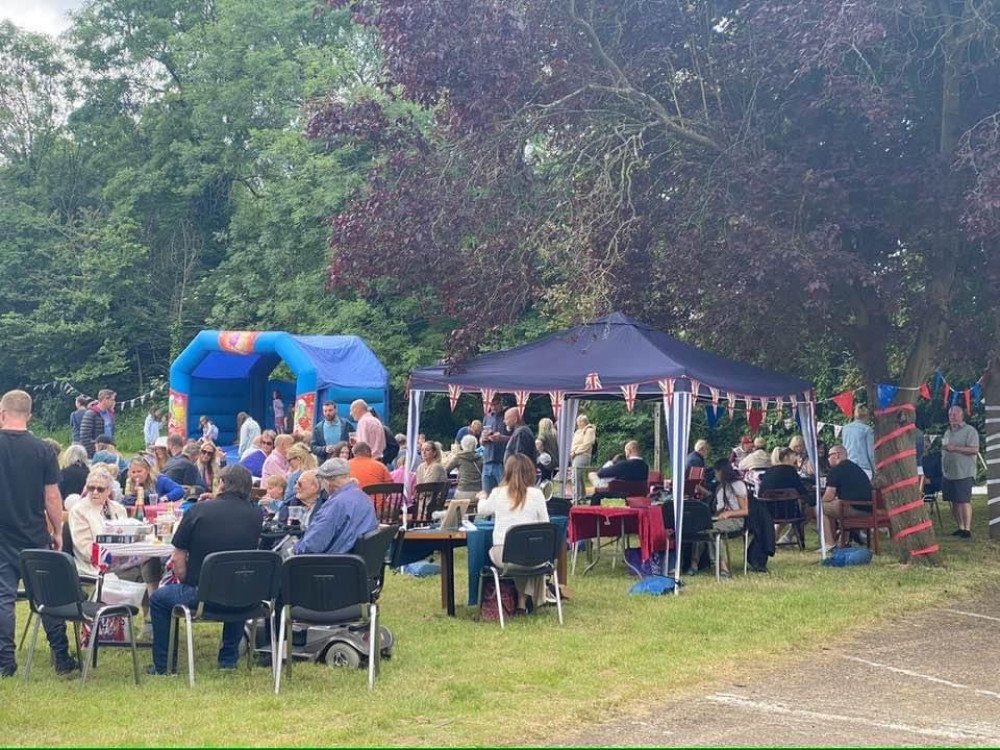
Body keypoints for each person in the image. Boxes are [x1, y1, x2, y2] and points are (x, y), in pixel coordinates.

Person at [148, 465, 262, 675]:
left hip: (201, 594)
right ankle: (228, 660)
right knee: (236, 584)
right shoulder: (256, 515)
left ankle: (163, 666)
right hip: (242, 594)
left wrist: (184, 580)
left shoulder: (198, 511)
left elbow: (178, 557)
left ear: (222, 484)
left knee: (158, 599)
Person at [0, 390, 78, 677]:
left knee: (3, 599)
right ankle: (61, 656)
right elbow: (52, 498)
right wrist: (57, 530)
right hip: (34, 535)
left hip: (1, 536)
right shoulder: (43, 450)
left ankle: (5, 662)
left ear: (2, 412)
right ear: (29, 415)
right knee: (49, 596)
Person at [476, 454, 550, 613]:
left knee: (513, 553)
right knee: (526, 552)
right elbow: (546, 525)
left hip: (505, 555)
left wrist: (482, 497)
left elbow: (481, 511)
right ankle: (523, 601)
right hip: (534, 556)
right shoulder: (537, 495)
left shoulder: (497, 493)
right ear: (530, 472)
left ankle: (520, 601)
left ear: (507, 472)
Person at [294, 459, 378, 555]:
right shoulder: (364, 497)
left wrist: (295, 548)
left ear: (327, 482)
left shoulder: (335, 505)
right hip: (357, 562)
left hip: (334, 563)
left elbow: (313, 545)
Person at [691, 459, 749, 577]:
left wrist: (729, 514)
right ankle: (694, 563)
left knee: (713, 531)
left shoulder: (738, 485)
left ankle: (722, 566)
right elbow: (720, 509)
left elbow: (745, 510)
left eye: (717, 472)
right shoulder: (721, 487)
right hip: (723, 519)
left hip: (736, 520)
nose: (715, 475)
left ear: (722, 472)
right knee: (702, 527)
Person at [68, 467, 128, 576]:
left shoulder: (119, 508)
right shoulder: (79, 510)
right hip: (93, 566)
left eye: (100, 489)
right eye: (91, 488)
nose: (95, 492)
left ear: (109, 490)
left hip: (121, 560)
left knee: (148, 566)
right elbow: (84, 546)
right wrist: (110, 557)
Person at [820, 445, 874, 551]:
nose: (828, 458)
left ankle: (829, 544)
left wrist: (820, 501)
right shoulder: (856, 468)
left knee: (821, 508)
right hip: (869, 508)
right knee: (838, 504)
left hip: (853, 508)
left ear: (837, 456)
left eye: (829, 456)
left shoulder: (836, 470)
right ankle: (843, 541)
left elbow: (829, 496)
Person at [941, 405, 980, 538]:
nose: (953, 416)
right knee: (953, 501)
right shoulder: (947, 432)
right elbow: (945, 448)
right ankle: (960, 527)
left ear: (962, 415)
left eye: (955, 414)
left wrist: (955, 448)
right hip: (948, 472)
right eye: (951, 414)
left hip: (964, 471)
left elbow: (974, 450)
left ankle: (967, 529)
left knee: (963, 500)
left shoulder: (970, 431)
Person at [589, 440, 649, 505]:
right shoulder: (645, 466)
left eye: (625, 452)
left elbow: (601, 473)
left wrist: (611, 464)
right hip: (638, 494)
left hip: (620, 495)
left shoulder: (623, 465)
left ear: (629, 451)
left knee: (596, 496)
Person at [480, 395, 511, 495]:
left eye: (495, 404)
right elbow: (480, 441)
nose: (493, 407)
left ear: (501, 402)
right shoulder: (487, 417)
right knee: (487, 495)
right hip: (487, 461)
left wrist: (502, 438)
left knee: (504, 495)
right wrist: (483, 439)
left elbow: (516, 438)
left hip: (502, 462)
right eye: (491, 405)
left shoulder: (508, 416)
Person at [841, 404, 876, 479]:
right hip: (863, 467)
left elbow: (843, 448)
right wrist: (874, 469)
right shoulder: (867, 430)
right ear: (866, 416)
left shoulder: (845, 429)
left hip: (848, 466)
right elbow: (870, 453)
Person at [79, 389, 116, 456]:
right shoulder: (90, 414)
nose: (114, 402)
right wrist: (94, 453)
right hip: (95, 452)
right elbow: (85, 437)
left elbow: (112, 433)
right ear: (105, 400)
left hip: (109, 451)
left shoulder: (110, 414)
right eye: (112, 400)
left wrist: (113, 446)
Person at [446, 434, 483, 500]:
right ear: (475, 445)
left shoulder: (458, 457)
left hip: (463, 490)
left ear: (462, 445)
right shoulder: (480, 458)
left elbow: (446, 471)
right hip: (478, 492)